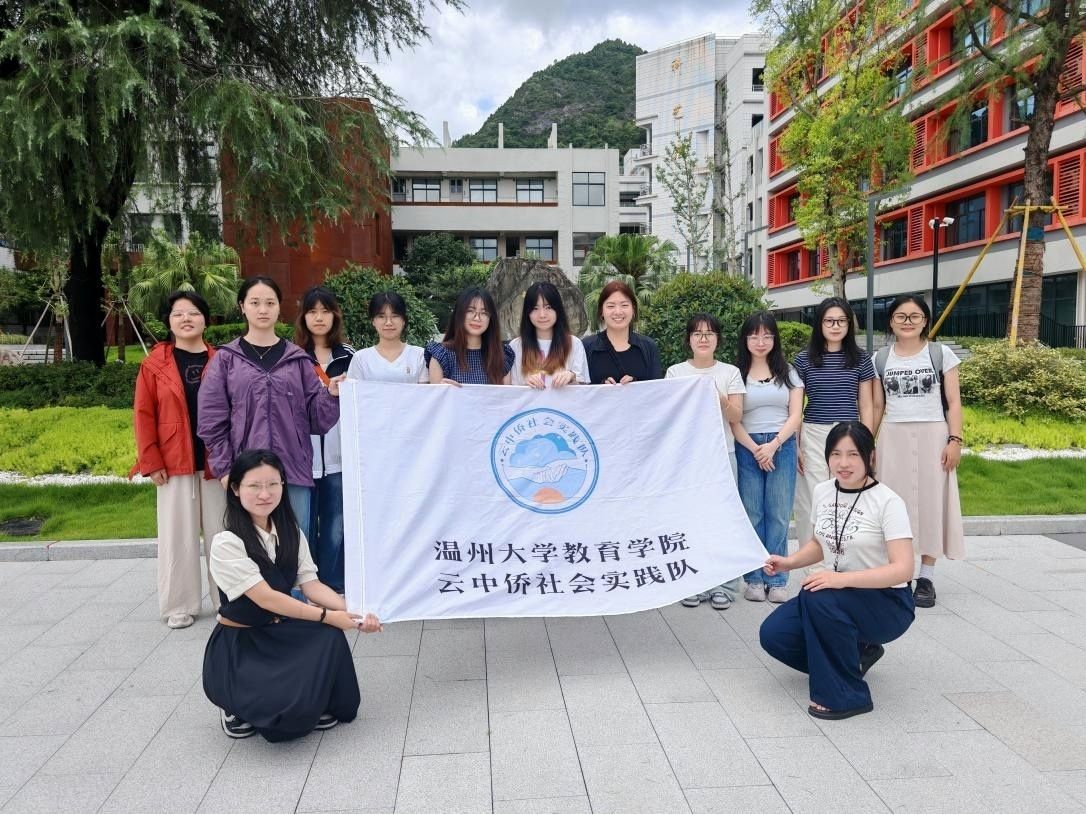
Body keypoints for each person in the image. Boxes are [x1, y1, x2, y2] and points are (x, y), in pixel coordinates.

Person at [203, 449, 382, 742]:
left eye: (273, 484)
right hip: (241, 644)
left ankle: (304, 698)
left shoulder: (291, 533)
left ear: (283, 485)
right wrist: (328, 616)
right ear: (235, 489)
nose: (265, 494)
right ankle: (233, 702)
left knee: (329, 637)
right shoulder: (227, 543)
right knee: (280, 724)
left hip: (278, 631)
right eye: (254, 486)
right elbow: (268, 599)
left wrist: (357, 612)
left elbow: (312, 586)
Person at [759, 422, 915, 721]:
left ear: (870, 457)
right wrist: (788, 562)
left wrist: (840, 580)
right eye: (836, 454)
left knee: (817, 594)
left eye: (853, 454)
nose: (843, 463)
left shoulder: (888, 502)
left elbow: (903, 569)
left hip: (886, 602)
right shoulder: (823, 491)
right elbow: (821, 543)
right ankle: (855, 655)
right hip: (837, 595)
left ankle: (846, 695)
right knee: (775, 635)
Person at [198, 277, 343, 536]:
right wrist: (225, 469)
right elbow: (211, 422)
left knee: (296, 546)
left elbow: (317, 420)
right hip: (247, 473)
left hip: (293, 472)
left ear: (279, 308)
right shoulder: (226, 359)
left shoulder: (297, 359)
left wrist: (330, 396)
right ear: (242, 307)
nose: (263, 310)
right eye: (255, 303)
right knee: (253, 549)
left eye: (270, 303)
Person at [132, 291, 226, 629]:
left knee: (224, 536)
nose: (186, 318)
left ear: (205, 320)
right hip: (174, 464)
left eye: (193, 312)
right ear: (169, 322)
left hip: (218, 463)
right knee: (177, 538)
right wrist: (151, 460)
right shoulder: (154, 364)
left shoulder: (222, 360)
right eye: (178, 314)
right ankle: (179, 605)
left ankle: (229, 601)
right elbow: (143, 414)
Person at [872, 294, 965, 609]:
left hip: (933, 435)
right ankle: (900, 574)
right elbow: (877, 406)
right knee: (893, 504)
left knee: (931, 503)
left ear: (925, 321)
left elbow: (954, 402)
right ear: (891, 321)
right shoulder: (880, 358)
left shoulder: (941, 354)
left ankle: (926, 577)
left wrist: (955, 440)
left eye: (915, 316)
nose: (908, 322)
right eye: (900, 316)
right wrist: (868, 444)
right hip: (893, 436)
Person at [664, 313, 744, 610]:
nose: (703, 339)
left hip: (723, 455)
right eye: (697, 333)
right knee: (690, 520)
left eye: (709, 333)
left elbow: (736, 416)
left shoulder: (730, 372)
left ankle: (725, 586)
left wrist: (718, 397)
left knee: (724, 521)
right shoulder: (675, 372)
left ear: (717, 339)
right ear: (688, 339)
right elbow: (669, 414)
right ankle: (693, 582)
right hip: (688, 459)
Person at [792, 297, 876, 549]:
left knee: (848, 493)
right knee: (813, 497)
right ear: (819, 324)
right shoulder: (803, 360)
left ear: (849, 324)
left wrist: (867, 444)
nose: (835, 326)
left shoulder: (861, 359)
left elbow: (867, 405)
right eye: (829, 321)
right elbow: (795, 407)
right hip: (814, 433)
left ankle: (845, 557)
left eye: (841, 321)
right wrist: (795, 444)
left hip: (850, 434)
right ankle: (812, 562)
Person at [732, 311, 803, 605]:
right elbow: (734, 419)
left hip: (781, 446)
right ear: (745, 339)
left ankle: (777, 579)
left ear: (775, 339)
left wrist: (773, 445)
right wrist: (756, 449)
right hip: (747, 447)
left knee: (778, 513)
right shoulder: (736, 374)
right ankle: (753, 578)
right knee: (752, 514)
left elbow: (796, 415)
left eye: (767, 335)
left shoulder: (789, 372)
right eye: (754, 336)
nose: (760, 341)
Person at [294, 286, 355, 595]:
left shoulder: (350, 357)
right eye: (312, 311)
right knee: (302, 525)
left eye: (325, 311)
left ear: (335, 315)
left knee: (335, 523)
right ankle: (307, 584)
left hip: (339, 454)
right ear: (303, 317)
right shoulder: (292, 358)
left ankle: (334, 585)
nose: (319, 318)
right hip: (302, 457)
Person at [425, 287, 514, 385]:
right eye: (470, 311)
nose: (477, 318)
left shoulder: (502, 354)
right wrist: (441, 389)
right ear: (459, 314)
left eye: (484, 313)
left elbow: (507, 394)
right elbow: (435, 394)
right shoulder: (441, 354)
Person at [509, 281, 589, 387]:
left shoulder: (574, 344)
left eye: (548, 307)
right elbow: (510, 390)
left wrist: (571, 376)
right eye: (535, 308)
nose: (542, 315)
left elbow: (584, 389)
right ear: (527, 313)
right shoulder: (516, 346)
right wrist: (526, 383)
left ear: (558, 310)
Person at [582, 280, 662, 384]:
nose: (618, 312)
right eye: (611, 306)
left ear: (633, 309)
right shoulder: (587, 347)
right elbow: (579, 389)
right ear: (602, 311)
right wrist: (601, 387)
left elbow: (657, 389)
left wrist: (635, 385)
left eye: (624, 305)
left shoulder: (648, 347)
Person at [347, 292, 431, 384]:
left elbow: (425, 391)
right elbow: (353, 391)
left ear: (403, 320)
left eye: (395, 316)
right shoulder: (360, 358)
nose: (388, 323)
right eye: (381, 316)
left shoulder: (419, 355)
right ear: (373, 321)